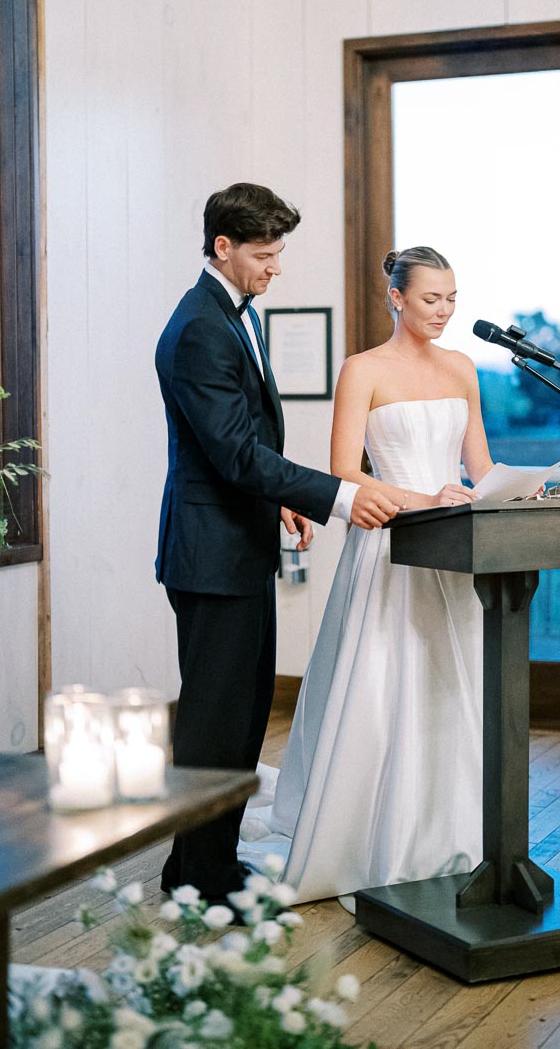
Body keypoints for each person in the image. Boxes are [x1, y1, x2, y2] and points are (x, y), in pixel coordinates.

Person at [155, 183, 399, 903]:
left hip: (239, 541)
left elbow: (246, 443)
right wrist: (336, 495)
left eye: (280, 251)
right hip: (210, 553)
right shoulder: (200, 327)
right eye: (265, 254)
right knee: (213, 729)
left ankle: (211, 864)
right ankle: (195, 880)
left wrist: (280, 505)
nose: (277, 267)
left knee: (241, 719)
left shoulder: (237, 315)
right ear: (223, 247)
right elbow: (233, 454)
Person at [240, 245, 495, 904]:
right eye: (431, 298)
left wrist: (510, 493)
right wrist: (422, 499)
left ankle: (454, 829)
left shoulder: (463, 367)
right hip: (386, 541)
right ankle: (377, 829)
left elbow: (480, 468)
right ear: (397, 298)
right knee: (386, 683)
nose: (443, 311)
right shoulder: (363, 370)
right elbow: (345, 473)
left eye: (452, 299)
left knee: (449, 682)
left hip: (452, 545)